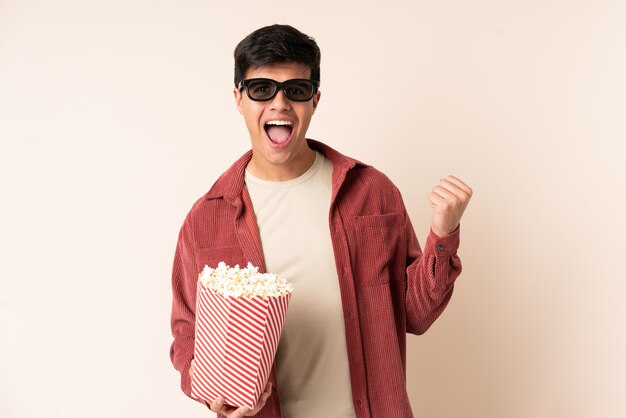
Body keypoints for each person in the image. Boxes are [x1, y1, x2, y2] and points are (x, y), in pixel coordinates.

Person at [170, 24, 472, 418]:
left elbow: (414, 314)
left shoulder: (371, 193)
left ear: (314, 100)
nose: (279, 103)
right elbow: (186, 333)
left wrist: (443, 234)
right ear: (238, 99)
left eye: (295, 90)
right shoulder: (206, 219)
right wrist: (211, 390)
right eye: (262, 89)